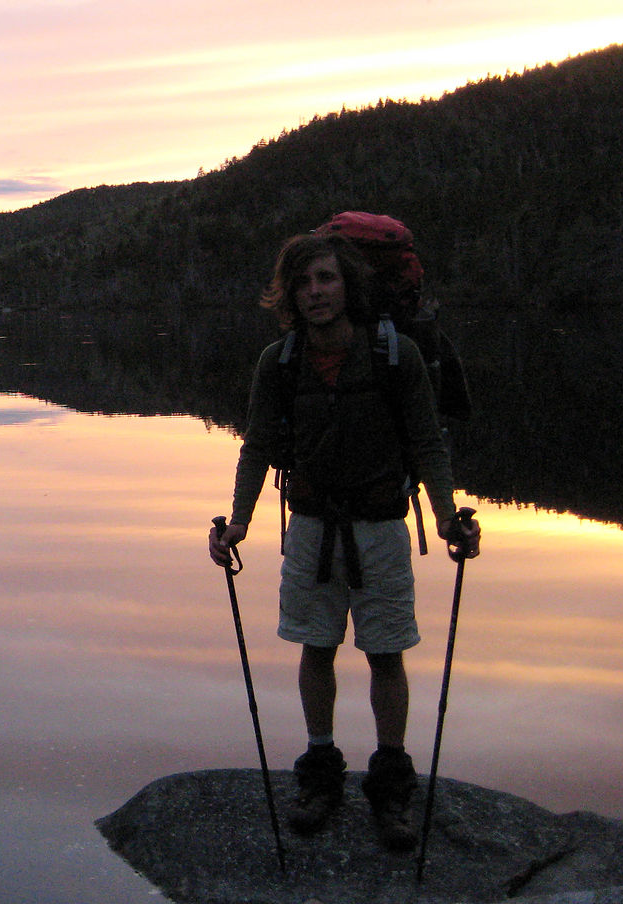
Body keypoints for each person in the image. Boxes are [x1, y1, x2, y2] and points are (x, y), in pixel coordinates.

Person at [208, 230, 481, 851]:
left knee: (386, 653)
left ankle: (389, 784)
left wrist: (444, 518)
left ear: (348, 285)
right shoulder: (277, 362)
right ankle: (322, 774)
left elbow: (426, 443)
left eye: (325, 279)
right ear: (290, 294)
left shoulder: (397, 355)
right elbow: (256, 448)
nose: (314, 293)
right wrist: (239, 522)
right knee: (317, 647)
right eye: (303, 283)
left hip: (382, 528)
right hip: (309, 529)